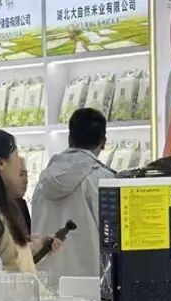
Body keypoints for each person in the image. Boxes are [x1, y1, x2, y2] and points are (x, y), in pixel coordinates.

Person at [31, 107, 116, 289]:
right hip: (91, 285)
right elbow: (114, 236)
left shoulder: (44, 179)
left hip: (45, 283)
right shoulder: (103, 179)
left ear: (70, 138)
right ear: (103, 142)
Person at [0, 129, 59, 273]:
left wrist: (36, 246)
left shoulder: (4, 209)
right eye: (16, 155)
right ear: (1, 163)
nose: (20, 163)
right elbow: (4, 270)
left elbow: (12, 258)